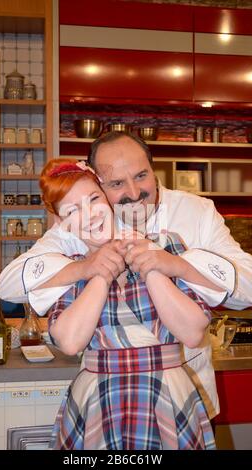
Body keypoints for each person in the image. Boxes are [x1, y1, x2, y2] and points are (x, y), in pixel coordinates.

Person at [0, 132, 252, 420]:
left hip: (187, 395)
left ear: (152, 167)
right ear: (97, 184)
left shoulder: (196, 211)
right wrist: (86, 267)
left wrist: (179, 266)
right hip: (107, 399)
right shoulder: (84, 221)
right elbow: (9, 286)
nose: (134, 192)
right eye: (117, 183)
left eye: (141, 175)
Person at [39, 158, 215, 450]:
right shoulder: (67, 269)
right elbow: (69, 342)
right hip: (97, 401)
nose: (90, 214)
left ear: (106, 198)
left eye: (93, 198)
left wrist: (149, 262)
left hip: (167, 396)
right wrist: (101, 270)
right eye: (72, 210)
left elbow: (193, 332)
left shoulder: (166, 246)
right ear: (62, 223)